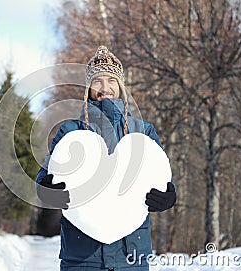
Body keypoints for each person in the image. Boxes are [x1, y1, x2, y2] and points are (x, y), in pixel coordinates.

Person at [36, 45, 176, 270]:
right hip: (81, 256)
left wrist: (168, 195)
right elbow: (45, 175)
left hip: (131, 255)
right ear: (88, 87)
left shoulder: (143, 132)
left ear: (120, 86)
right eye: (97, 81)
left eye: (111, 80)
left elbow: (162, 177)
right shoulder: (71, 131)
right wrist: (47, 190)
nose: (105, 87)